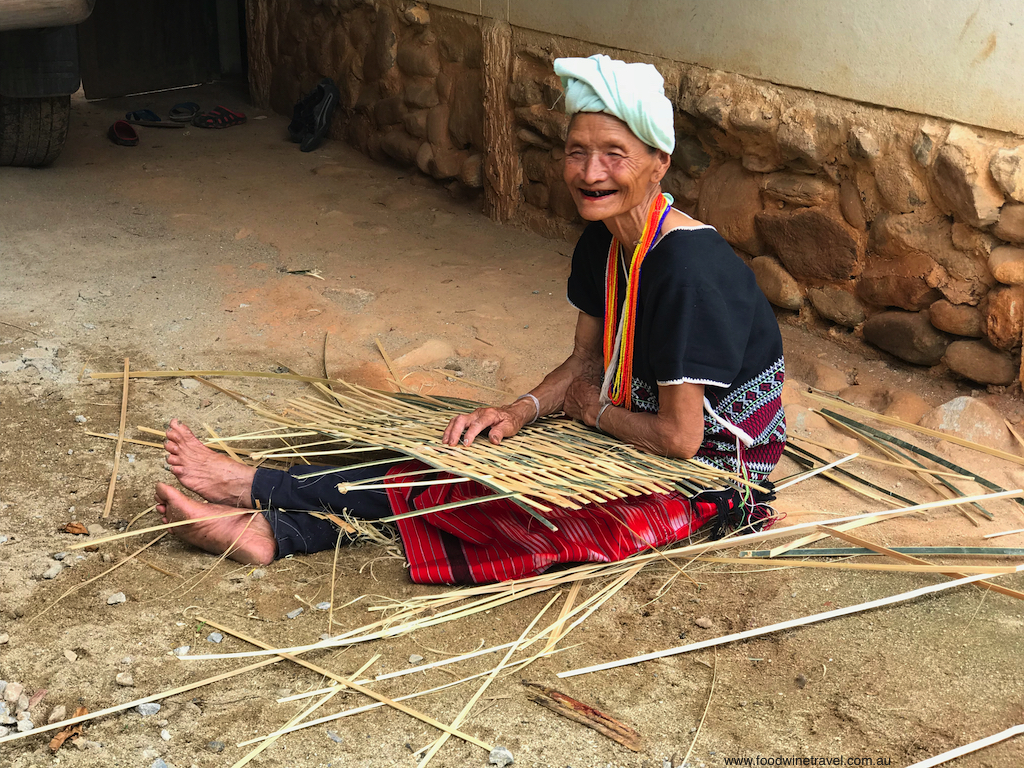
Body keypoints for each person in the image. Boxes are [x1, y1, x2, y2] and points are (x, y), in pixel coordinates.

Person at [155, 54, 786, 585]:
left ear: (660, 163)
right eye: (577, 152)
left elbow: (680, 439)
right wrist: (518, 411)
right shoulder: (606, 238)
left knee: (521, 511)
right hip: (628, 424)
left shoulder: (688, 269)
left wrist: (589, 412)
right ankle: (274, 520)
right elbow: (586, 364)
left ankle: (260, 497)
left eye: (615, 155)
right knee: (458, 454)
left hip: (713, 476)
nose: (591, 174)